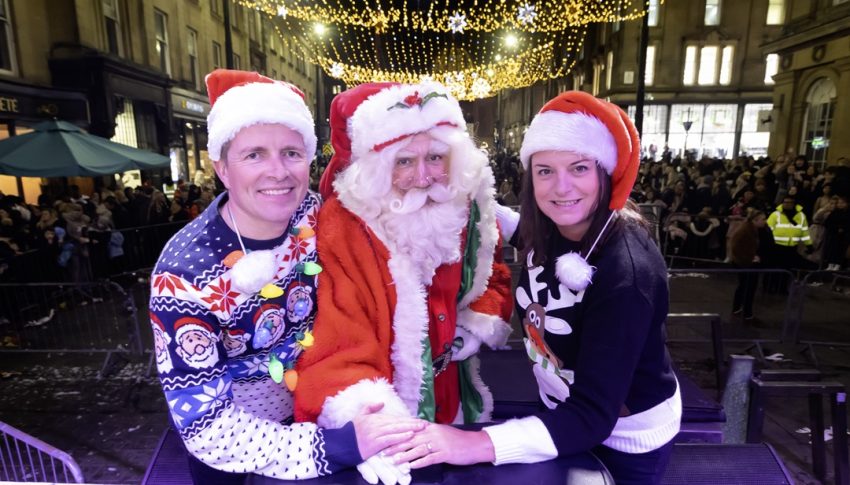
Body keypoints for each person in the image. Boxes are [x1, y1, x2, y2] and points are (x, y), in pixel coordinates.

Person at [383, 91, 681, 484]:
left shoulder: (625, 274)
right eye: (545, 171)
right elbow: (511, 223)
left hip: (623, 439)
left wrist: (472, 443)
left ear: (605, 172)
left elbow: (593, 415)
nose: (560, 188)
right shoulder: (554, 226)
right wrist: (450, 189)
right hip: (560, 416)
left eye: (578, 168)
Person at [148, 70, 423, 484]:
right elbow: (206, 429)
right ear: (222, 168)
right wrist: (344, 445)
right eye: (254, 154)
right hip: (241, 457)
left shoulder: (316, 213)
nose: (278, 172)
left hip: (325, 411)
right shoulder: (184, 276)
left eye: (292, 153)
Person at [294, 81, 513, 467]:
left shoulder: (469, 207)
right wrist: (375, 424)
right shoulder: (346, 226)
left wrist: (477, 320)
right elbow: (337, 336)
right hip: (389, 402)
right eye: (405, 161)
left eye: (435, 158)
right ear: (379, 168)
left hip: (457, 396)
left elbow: (492, 272)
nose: (424, 177)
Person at [729, 208, 768, 320]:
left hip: (745, 262)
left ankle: (738, 308)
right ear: (755, 220)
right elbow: (736, 247)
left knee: (744, 286)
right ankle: (747, 312)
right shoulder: (746, 230)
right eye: (763, 219)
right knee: (748, 287)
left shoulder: (753, 229)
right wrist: (751, 257)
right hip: (745, 263)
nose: (765, 221)